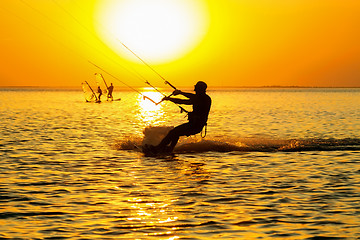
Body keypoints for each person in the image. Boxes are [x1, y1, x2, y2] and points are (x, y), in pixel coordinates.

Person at [150, 81, 211, 154]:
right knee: (175, 132)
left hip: (196, 126)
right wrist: (180, 93)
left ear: (200, 89)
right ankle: (169, 149)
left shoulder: (204, 99)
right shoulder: (201, 97)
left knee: (173, 132)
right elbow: (191, 97)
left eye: (196, 89)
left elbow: (184, 101)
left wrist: (171, 98)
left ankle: (158, 148)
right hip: (194, 125)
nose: (195, 90)